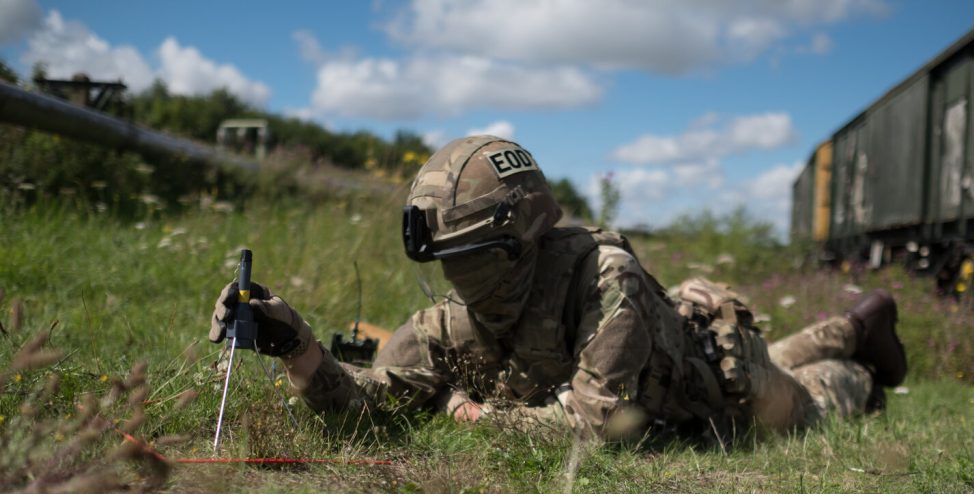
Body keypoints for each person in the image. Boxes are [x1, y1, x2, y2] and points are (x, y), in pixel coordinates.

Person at [209, 135, 907, 443]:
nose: (459, 280)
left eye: (471, 258)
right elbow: (370, 404)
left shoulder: (605, 278)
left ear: (523, 238)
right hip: (675, 350)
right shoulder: (454, 321)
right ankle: (853, 323)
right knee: (793, 359)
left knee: (815, 400)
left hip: (719, 379)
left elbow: (597, 426)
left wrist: (468, 415)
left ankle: (859, 351)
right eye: (447, 262)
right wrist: (297, 347)